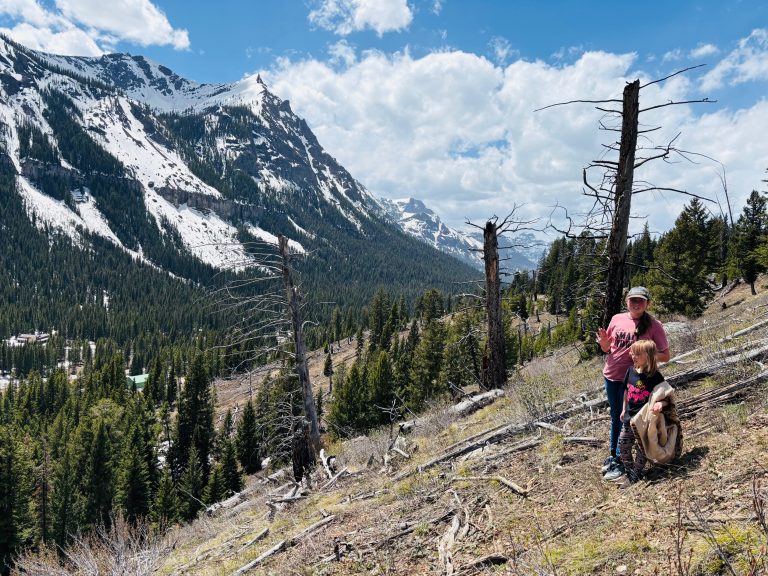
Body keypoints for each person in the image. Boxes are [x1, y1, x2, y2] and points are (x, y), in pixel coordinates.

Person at [596, 286, 670, 481]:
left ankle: (625, 460)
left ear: (647, 303)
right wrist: (604, 343)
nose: (636, 304)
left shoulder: (654, 325)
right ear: (626, 301)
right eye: (633, 300)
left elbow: (665, 355)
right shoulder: (616, 319)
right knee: (617, 416)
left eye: (641, 300)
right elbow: (608, 349)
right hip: (612, 376)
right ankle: (615, 455)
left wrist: (646, 355)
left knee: (632, 419)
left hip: (637, 381)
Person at [615, 340, 668, 485]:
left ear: (648, 355)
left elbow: (666, 397)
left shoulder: (655, 376)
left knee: (642, 447)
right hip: (629, 416)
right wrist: (624, 409)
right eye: (632, 353)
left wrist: (660, 404)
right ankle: (629, 471)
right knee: (623, 445)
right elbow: (626, 391)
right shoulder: (630, 371)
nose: (633, 356)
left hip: (644, 420)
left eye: (637, 354)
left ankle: (634, 475)